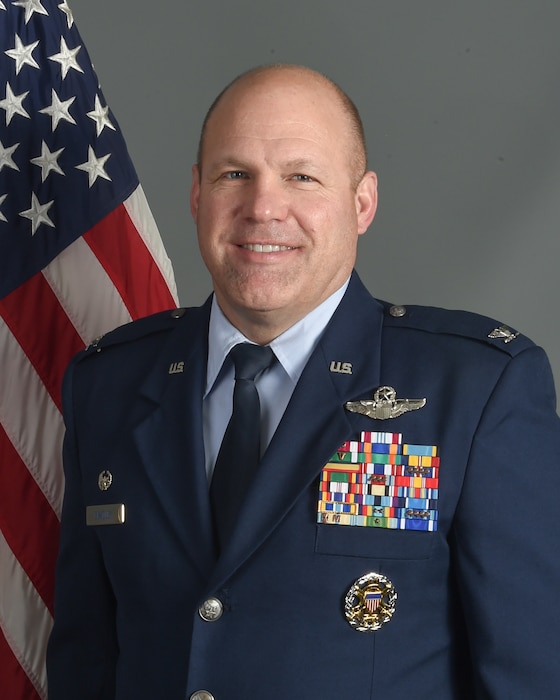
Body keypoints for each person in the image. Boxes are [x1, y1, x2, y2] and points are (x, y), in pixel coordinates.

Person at [47, 64, 560, 699]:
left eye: (301, 177)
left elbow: (531, 678)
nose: (263, 207)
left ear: (362, 202)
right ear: (196, 195)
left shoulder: (477, 390)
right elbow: (85, 663)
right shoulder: (110, 385)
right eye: (234, 174)